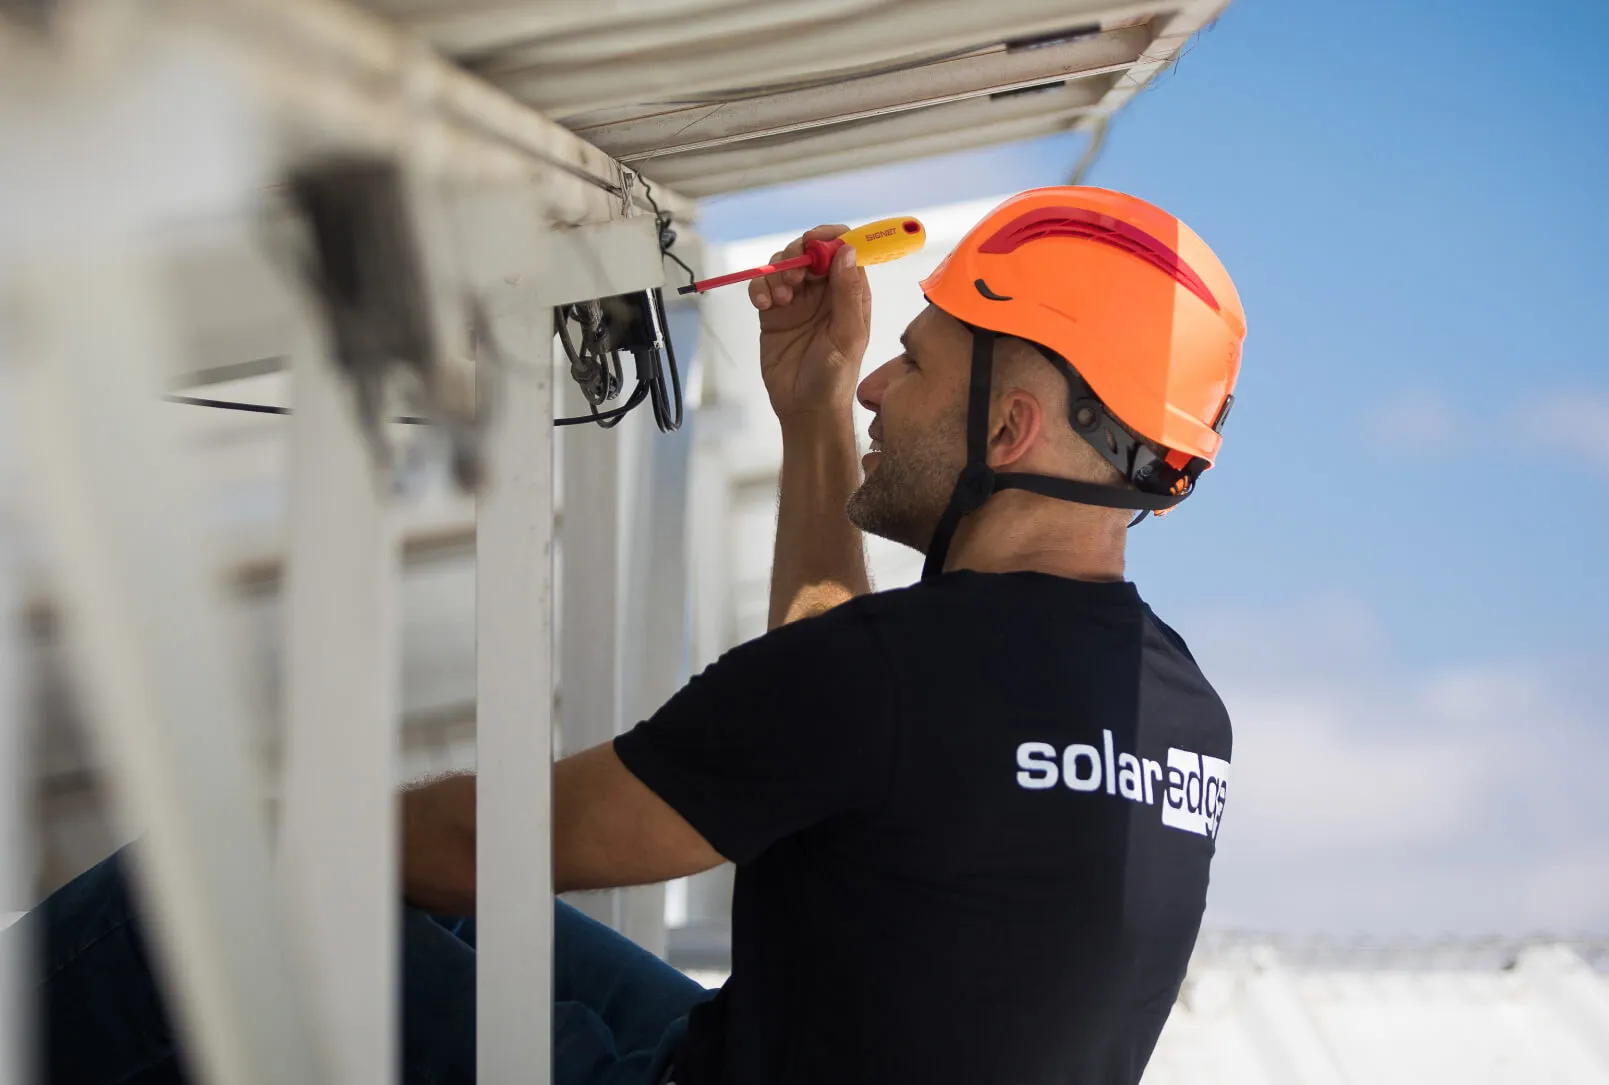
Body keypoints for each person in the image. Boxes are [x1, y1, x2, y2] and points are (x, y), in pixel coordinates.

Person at [23, 186, 1247, 1084]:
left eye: (912, 365)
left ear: (1013, 425)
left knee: (228, 881)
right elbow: (844, 717)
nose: (876, 385)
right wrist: (811, 410)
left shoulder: (892, 681)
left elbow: (489, 844)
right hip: (728, 1052)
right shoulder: (1184, 713)